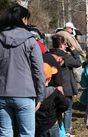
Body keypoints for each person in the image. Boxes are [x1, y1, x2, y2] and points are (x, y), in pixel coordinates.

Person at [0, 4, 45, 137]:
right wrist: (40, 96)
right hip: (25, 94)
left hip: (2, 93)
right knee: (27, 134)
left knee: (4, 133)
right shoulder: (30, 41)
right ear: (23, 19)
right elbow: (39, 72)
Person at [51, 34, 81, 137]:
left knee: (54, 109)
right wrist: (74, 51)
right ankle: (67, 130)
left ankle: (57, 129)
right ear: (62, 44)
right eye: (65, 44)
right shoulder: (65, 56)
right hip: (66, 86)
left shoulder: (49, 54)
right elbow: (78, 63)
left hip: (52, 85)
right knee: (67, 110)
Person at [35, 63, 69, 137]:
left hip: (37, 126)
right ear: (49, 78)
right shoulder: (54, 91)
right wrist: (57, 112)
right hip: (52, 124)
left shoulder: (32, 92)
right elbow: (65, 104)